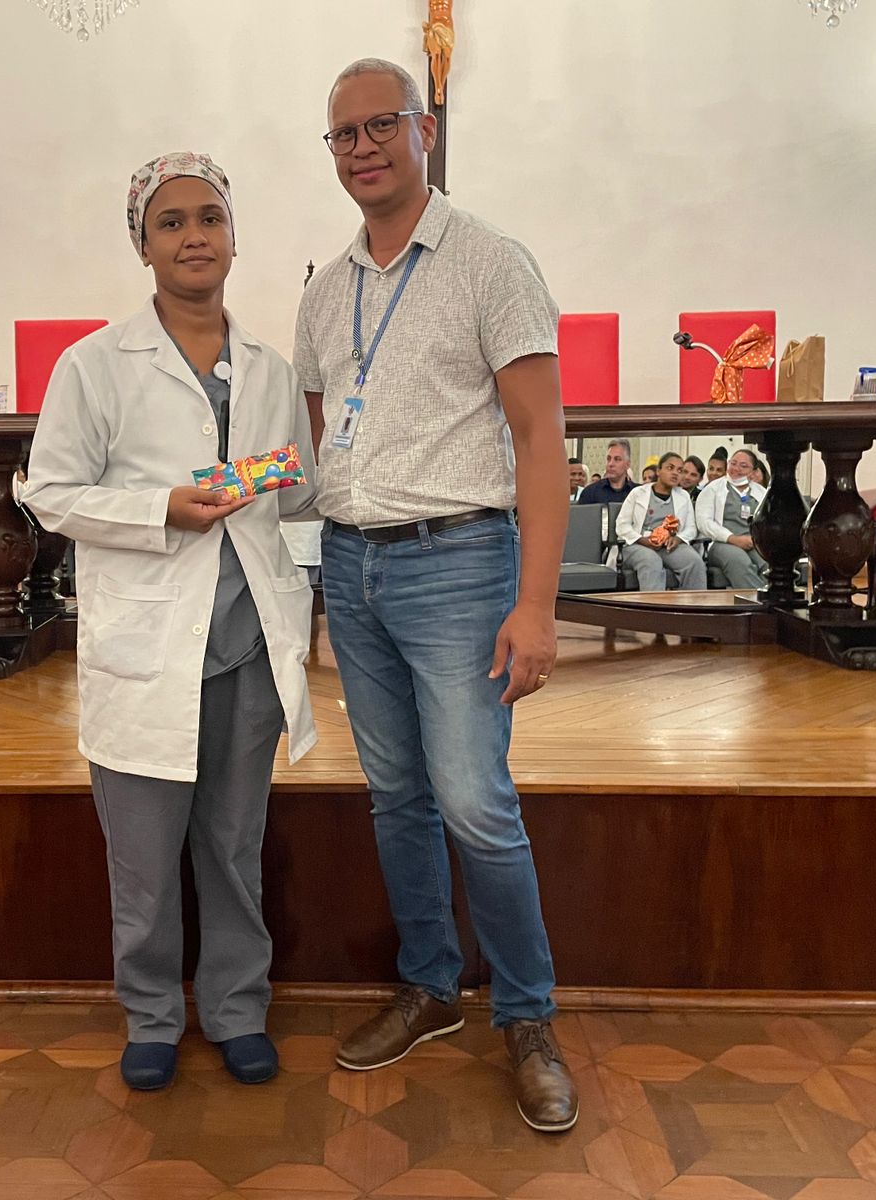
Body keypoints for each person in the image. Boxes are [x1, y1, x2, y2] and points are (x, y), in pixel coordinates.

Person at [294, 57, 578, 1133]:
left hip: (458, 562)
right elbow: (319, 441)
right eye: (344, 135)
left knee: (474, 802)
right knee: (396, 797)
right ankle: (429, 984)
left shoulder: (489, 262)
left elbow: (540, 438)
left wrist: (536, 604)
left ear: (423, 131)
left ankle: (528, 1016)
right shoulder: (326, 288)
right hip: (353, 563)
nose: (363, 148)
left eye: (383, 126)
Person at [22, 152, 319, 1094]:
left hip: (245, 645)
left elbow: (296, 483)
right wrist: (160, 508)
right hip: (147, 650)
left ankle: (237, 1010)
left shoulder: (270, 368)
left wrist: (284, 474)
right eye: (172, 222)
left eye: (210, 218)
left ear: (234, 235)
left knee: (232, 848)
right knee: (146, 861)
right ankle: (151, 1015)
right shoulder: (94, 365)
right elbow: (49, 493)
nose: (195, 237)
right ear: (143, 245)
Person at [616, 452, 706, 591]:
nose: (675, 473)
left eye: (679, 470)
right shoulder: (637, 493)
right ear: (658, 471)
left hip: (668, 546)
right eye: (670, 468)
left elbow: (691, 528)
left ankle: (693, 604)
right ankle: (654, 605)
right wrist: (643, 540)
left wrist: (678, 539)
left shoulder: (683, 496)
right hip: (637, 544)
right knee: (651, 561)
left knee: (694, 562)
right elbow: (622, 525)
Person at [696, 446, 767, 589]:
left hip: (753, 542)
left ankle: (773, 597)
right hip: (722, 543)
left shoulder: (761, 492)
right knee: (740, 562)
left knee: (769, 563)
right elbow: (704, 522)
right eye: (733, 463)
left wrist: (757, 539)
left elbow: (769, 521)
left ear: (753, 472)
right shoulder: (713, 489)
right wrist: (732, 538)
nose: (736, 469)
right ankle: (759, 600)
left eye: (743, 466)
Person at [577, 438, 634, 505]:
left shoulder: (637, 492)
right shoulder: (590, 492)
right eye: (608, 459)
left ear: (627, 464)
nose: (610, 464)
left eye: (617, 459)